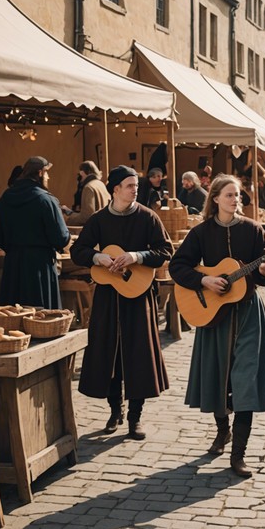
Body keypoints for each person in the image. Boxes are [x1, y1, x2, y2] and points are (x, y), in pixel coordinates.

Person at [169, 175, 265, 477]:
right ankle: (223, 431)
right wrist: (204, 279)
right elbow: (177, 266)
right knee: (217, 378)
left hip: (247, 314)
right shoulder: (201, 232)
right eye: (229, 195)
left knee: (245, 382)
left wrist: (264, 270)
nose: (235, 199)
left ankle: (238, 454)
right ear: (216, 198)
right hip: (214, 317)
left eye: (238, 195)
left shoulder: (254, 230)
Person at [72, 166, 172, 441]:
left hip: (139, 296)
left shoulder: (148, 217)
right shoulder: (98, 220)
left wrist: (137, 256)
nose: (134, 189)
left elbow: (165, 251)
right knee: (109, 354)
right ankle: (115, 410)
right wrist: (98, 258)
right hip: (108, 297)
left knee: (138, 355)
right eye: (129, 185)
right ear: (115, 189)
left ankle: (135, 418)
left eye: (135, 185)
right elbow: (77, 250)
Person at [0, 156, 70, 307]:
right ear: (39, 173)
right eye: (47, 173)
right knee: (41, 320)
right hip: (40, 267)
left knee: (13, 317)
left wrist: (13, 248)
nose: (48, 176)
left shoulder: (6, 197)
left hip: (13, 264)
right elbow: (60, 238)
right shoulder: (46, 200)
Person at [63, 161, 110, 226]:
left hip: (94, 229)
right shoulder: (100, 184)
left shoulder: (88, 187)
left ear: (82, 173)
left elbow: (87, 216)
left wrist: (68, 216)